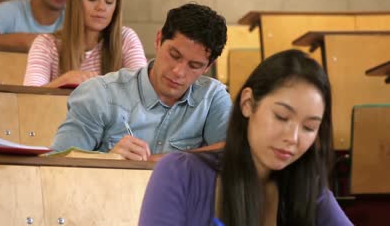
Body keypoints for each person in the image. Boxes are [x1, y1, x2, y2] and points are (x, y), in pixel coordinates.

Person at [139, 50, 353, 225]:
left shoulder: (310, 192)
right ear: (247, 103)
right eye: (281, 117)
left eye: (309, 127)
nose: (293, 137)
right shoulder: (180, 174)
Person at [51, 3, 232, 161]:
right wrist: (108, 160)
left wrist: (158, 162)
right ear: (158, 40)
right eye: (174, 55)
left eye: (194, 65)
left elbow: (234, 152)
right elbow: (56, 162)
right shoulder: (99, 93)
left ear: (208, 66)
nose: (178, 72)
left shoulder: (212, 97)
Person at [23, 0, 147, 88]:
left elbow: (144, 92)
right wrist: (65, 80)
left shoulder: (125, 38)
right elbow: (29, 99)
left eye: (109, 1)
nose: (102, 7)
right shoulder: (46, 44)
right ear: (74, 1)